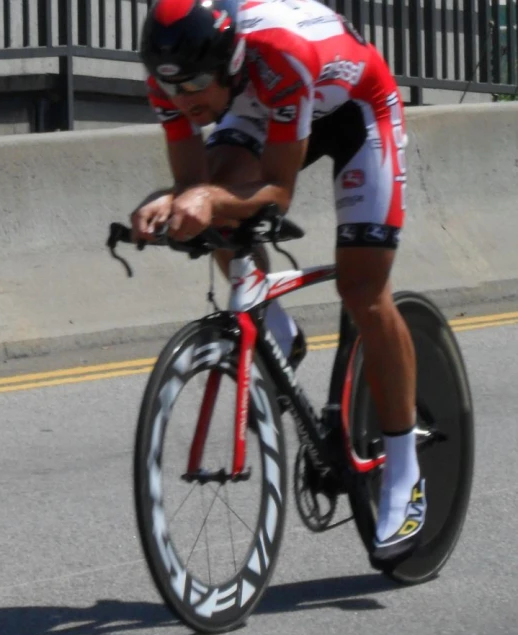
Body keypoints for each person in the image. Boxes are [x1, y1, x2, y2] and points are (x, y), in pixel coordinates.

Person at [132, 0, 425, 563]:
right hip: (261, 108)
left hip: (358, 110)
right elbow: (193, 183)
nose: (184, 99)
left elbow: (276, 192)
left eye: (195, 83)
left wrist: (208, 197)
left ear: (229, 58)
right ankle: (275, 328)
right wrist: (170, 199)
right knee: (207, 207)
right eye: (172, 89)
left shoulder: (276, 56)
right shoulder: (169, 78)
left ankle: (405, 470)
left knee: (363, 289)